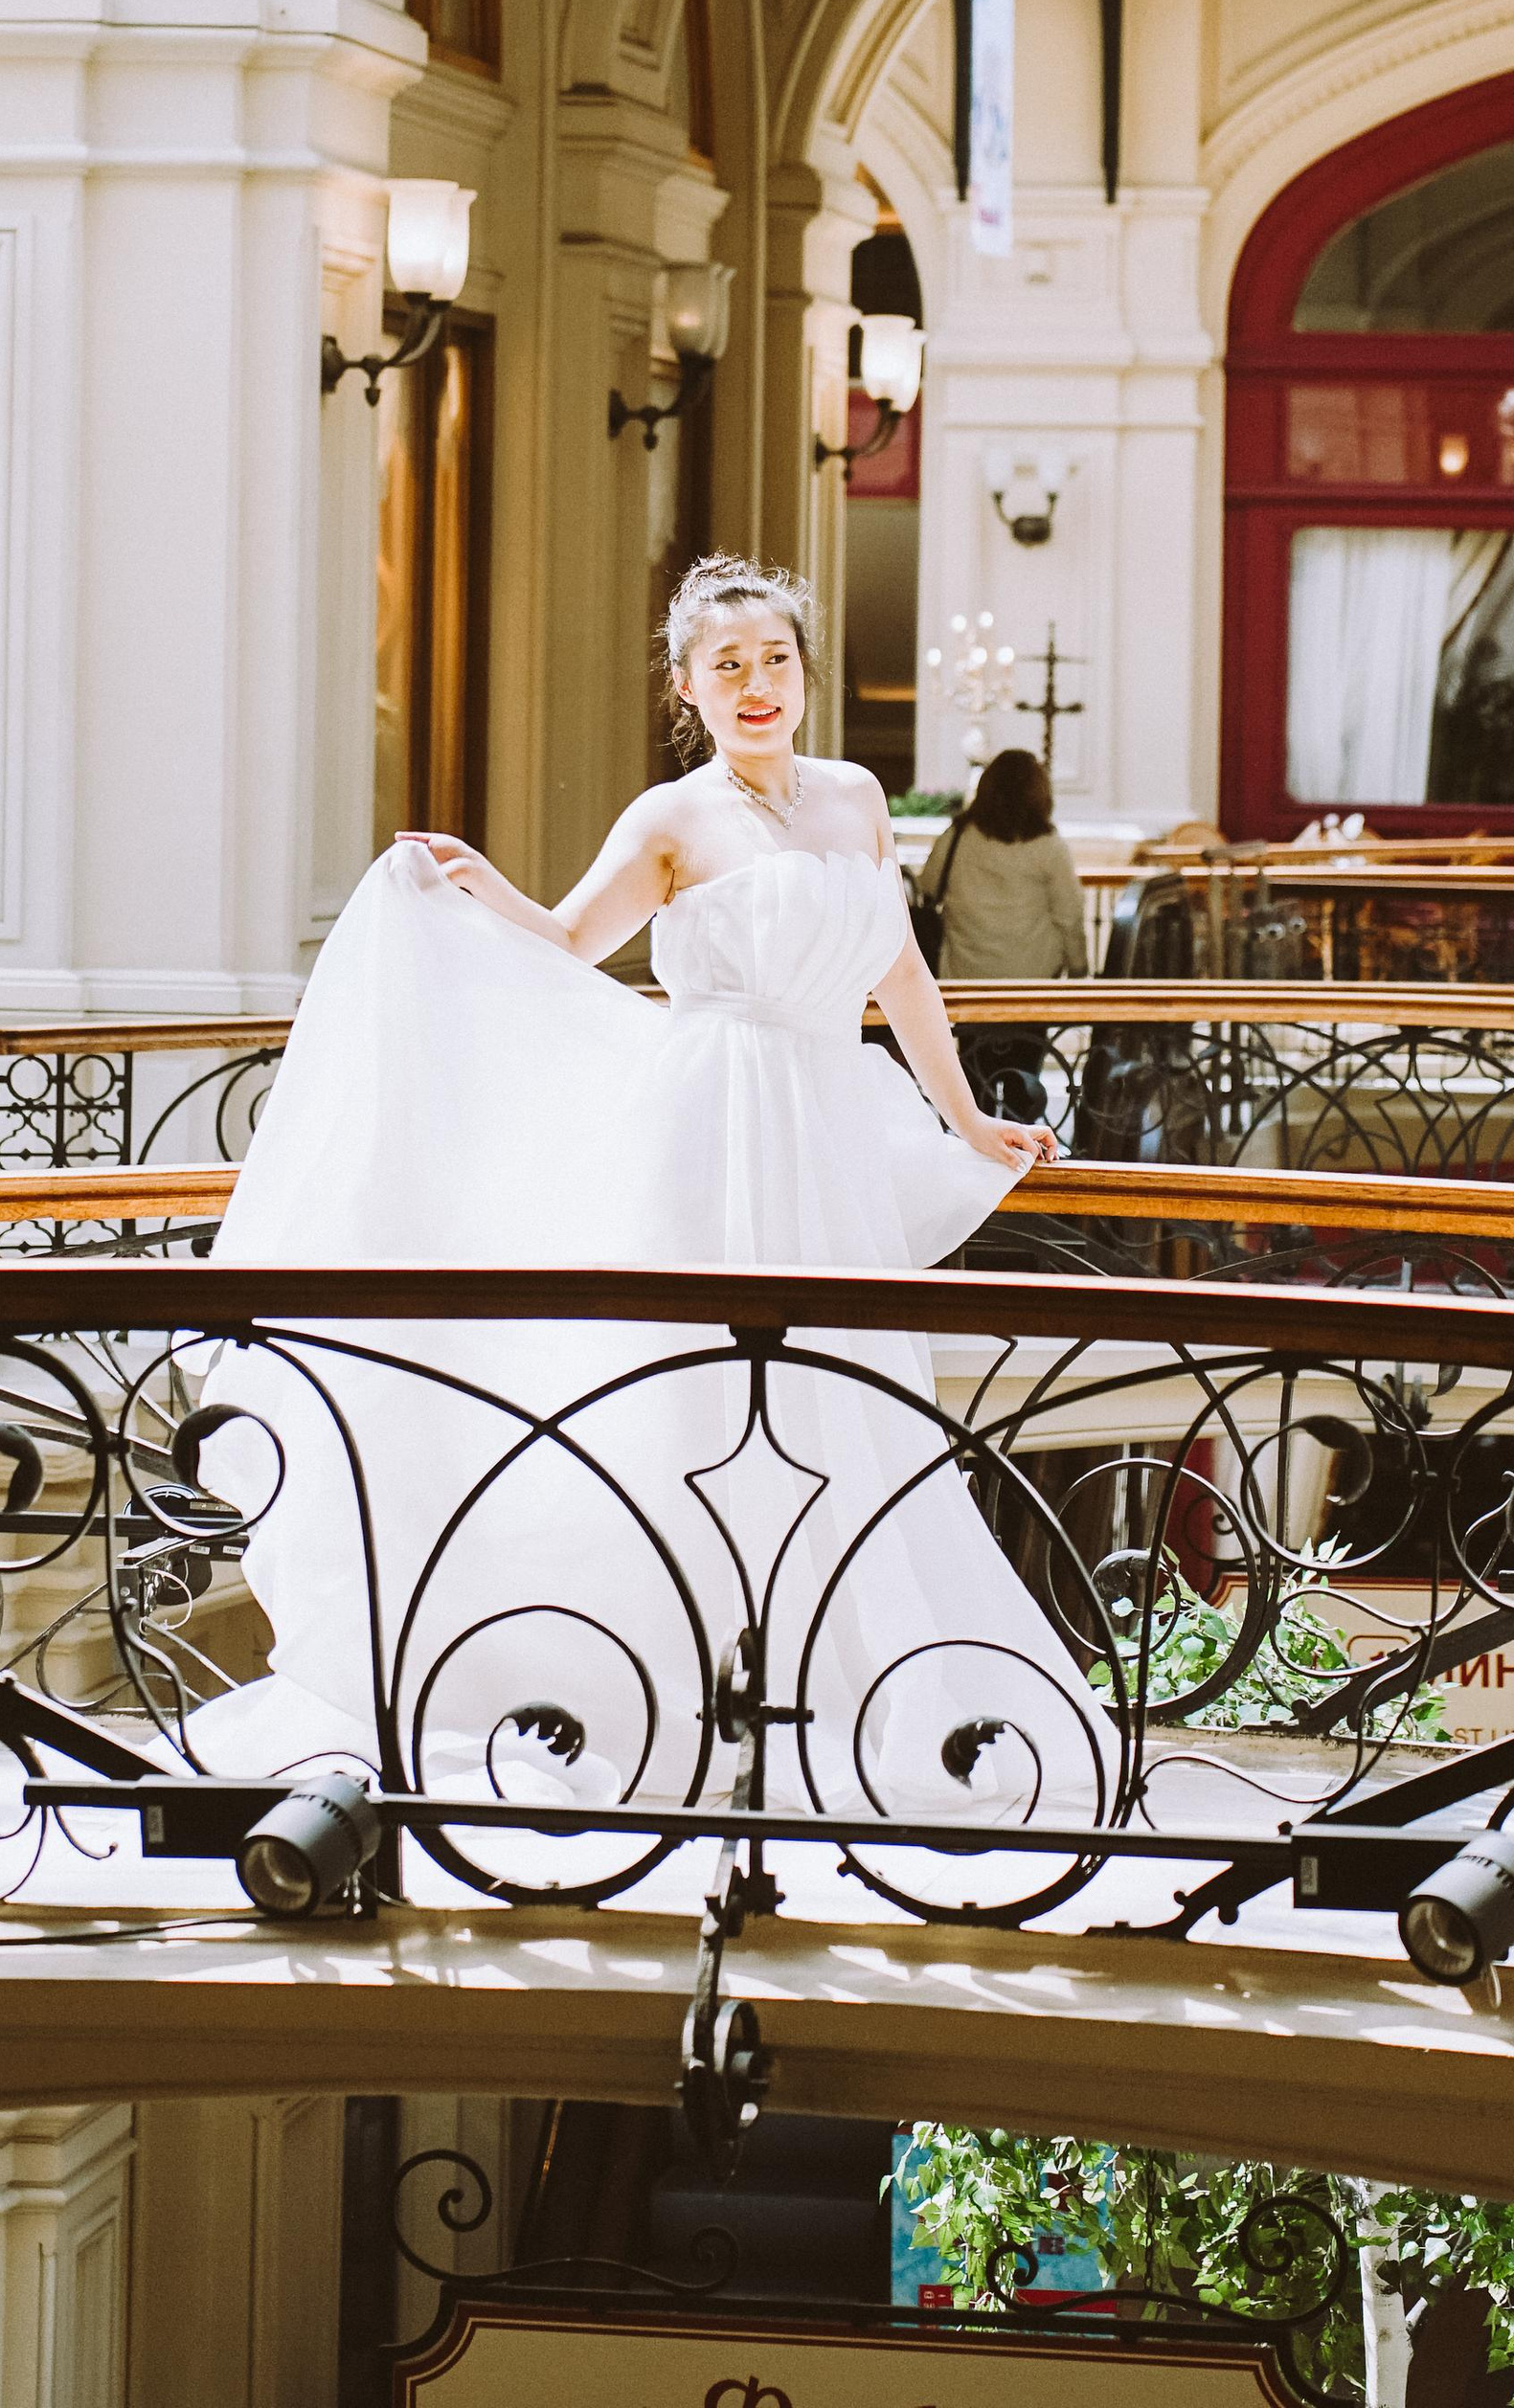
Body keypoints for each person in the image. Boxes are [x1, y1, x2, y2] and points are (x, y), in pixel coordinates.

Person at [191, 553, 1114, 1837]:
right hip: (710, 1125)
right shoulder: (671, 818)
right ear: (687, 685)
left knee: (845, 1404)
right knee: (689, 1401)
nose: (755, 684)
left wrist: (968, 1117)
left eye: (774, 660)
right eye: (726, 665)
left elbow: (899, 972)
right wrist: (472, 888)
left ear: (805, 672)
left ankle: (835, 1684)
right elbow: (572, 943)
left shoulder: (854, 799)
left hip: (827, 1135)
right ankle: (654, 1690)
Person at [919, 746, 1088, 984]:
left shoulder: (956, 837)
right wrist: (1078, 966)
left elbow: (927, 887)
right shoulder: (1048, 845)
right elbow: (1069, 914)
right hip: (1032, 976)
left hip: (964, 974)